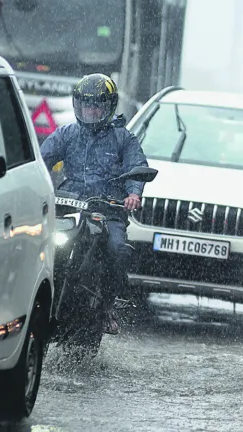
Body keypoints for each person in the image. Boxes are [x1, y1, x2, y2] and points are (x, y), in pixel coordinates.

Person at [40, 73, 149, 335]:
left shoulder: (123, 138)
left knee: (117, 248)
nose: (90, 110)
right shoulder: (66, 134)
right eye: (85, 105)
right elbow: (39, 160)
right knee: (34, 238)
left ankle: (107, 306)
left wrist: (133, 193)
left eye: (96, 105)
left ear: (109, 107)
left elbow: (138, 168)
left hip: (107, 212)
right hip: (69, 208)